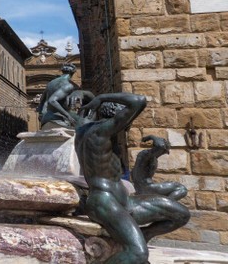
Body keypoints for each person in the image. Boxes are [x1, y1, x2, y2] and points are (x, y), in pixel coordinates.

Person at [75, 93, 190, 264]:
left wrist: (88, 96)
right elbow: (139, 101)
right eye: (127, 120)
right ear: (117, 118)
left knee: (181, 214)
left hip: (123, 200)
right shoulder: (99, 133)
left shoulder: (84, 129)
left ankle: (144, 236)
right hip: (104, 202)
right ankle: (133, 249)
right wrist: (102, 98)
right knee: (138, 254)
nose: (128, 126)